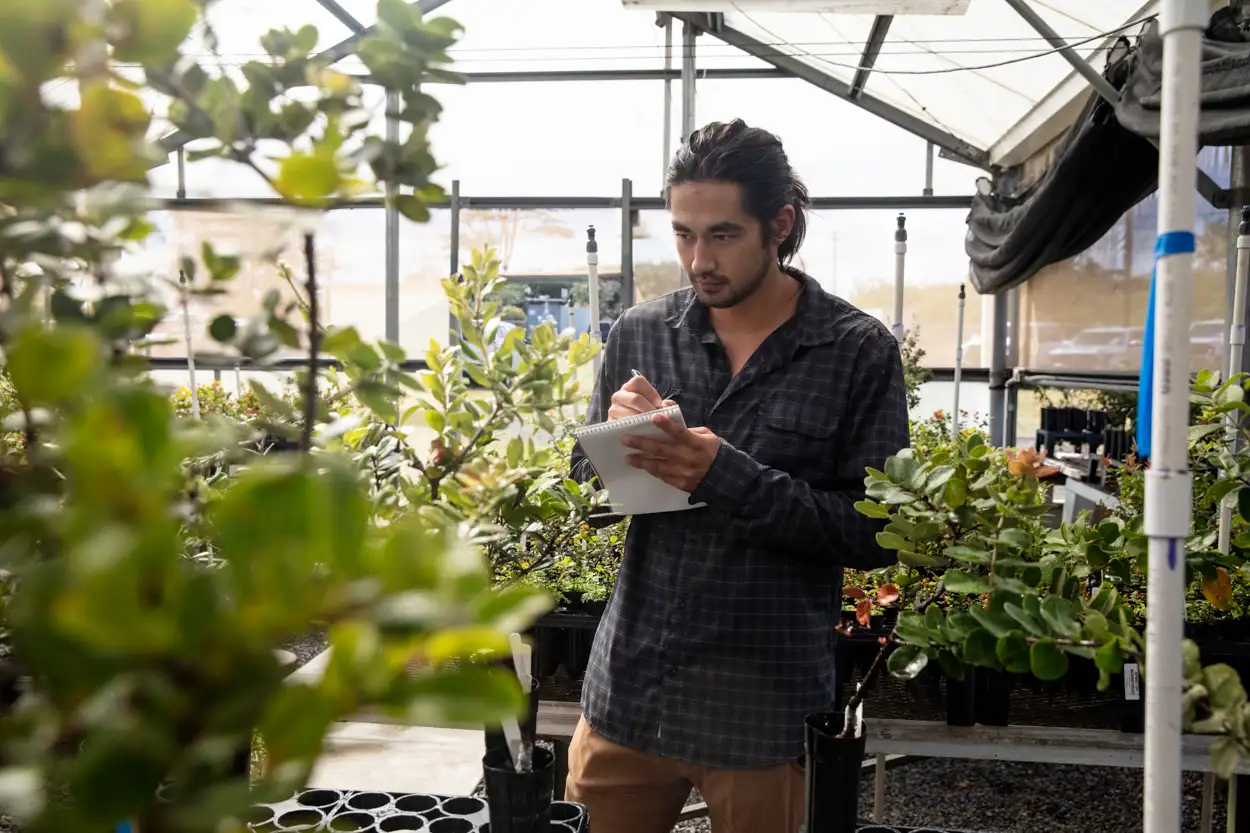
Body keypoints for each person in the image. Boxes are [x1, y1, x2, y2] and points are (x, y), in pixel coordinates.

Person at [566, 119, 910, 833]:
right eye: (683, 234)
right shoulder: (641, 333)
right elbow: (584, 491)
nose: (700, 260)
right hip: (630, 691)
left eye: (722, 235)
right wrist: (618, 448)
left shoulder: (855, 350)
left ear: (779, 224)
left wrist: (726, 475)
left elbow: (878, 532)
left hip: (759, 709)